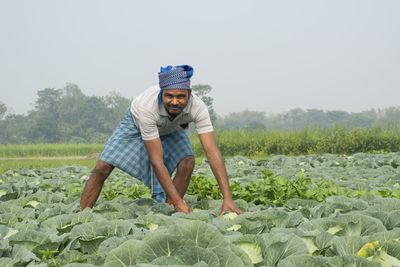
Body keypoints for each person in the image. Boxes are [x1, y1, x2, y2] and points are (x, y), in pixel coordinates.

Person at [80, 65, 242, 215]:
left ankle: (169, 212)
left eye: (180, 96)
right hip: (135, 125)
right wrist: (179, 200)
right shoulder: (147, 108)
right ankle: (81, 216)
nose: (175, 102)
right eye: (169, 96)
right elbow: (156, 160)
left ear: (189, 94)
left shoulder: (198, 108)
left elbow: (212, 152)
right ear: (161, 93)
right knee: (103, 167)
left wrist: (227, 198)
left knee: (187, 162)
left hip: (173, 128)